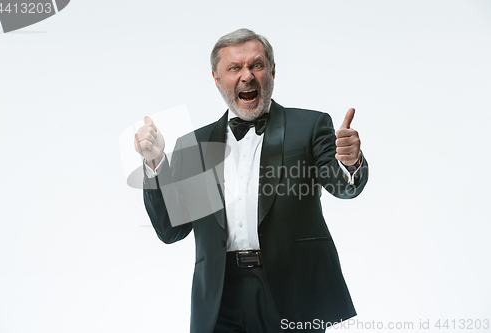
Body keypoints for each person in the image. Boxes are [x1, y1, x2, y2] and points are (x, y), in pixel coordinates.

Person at [134, 28, 368, 333]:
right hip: (220, 298)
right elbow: (171, 229)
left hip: (293, 291)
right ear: (217, 80)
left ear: (272, 70)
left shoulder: (308, 126)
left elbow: (342, 186)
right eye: (234, 68)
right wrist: (155, 162)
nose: (246, 76)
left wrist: (350, 163)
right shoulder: (196, 145)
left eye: (256, 65)